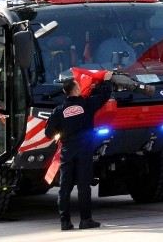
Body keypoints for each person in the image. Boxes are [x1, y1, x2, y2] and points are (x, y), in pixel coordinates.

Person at [44, 70, 114, 231]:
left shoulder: (59, 111)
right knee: (83, 186)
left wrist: (60, 134)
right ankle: (85, 220)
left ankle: (65, 222)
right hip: (84, 150)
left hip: (67, 151)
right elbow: (104, 96)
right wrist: (106, 80)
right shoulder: (87, 104)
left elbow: (48, 133)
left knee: (64, 188)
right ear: (76, 89)